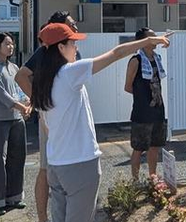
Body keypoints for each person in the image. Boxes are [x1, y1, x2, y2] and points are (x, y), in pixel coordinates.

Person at [32, 23, 172, 222]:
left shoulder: (42, 80)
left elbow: (45, 123)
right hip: (79, 164)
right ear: (60, 48)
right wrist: (149, 40)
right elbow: (115, 53)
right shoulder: (69, 72)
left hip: (56, 164)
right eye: (73, 43)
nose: (76, 48)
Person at [14, 11, 77, 222]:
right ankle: (43, 217)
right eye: (70, 24)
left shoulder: (72, 48)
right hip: (51, 121)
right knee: (46, 168)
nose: (75, 26)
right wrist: (41, 102)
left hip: (73, 121)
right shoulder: (46, 52)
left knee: (68, 167)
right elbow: (21, 76)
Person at [0, 32, 31, 215]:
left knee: (17, 158)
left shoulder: (13, 67)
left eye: (12, 43)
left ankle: (14, 196)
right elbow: (2, 95)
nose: (11, 47)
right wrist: (21, 107)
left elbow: (20, 90)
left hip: (16, 120)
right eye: (7, 44)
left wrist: (28, 103)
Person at [123, 28, 168, 182]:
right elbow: (128, 86)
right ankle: (135, 182)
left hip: (158, 110)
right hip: (142, 113)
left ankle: (152, 178)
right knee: (138, 148)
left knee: (155, 146)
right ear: (143, 40)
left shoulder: (157, 58)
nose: (155, 39)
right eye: (152, 37)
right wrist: (143, 98)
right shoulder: (136, 60)